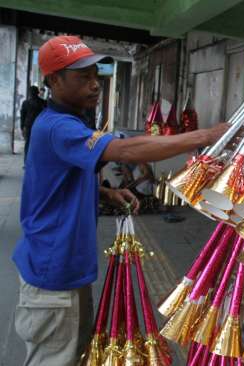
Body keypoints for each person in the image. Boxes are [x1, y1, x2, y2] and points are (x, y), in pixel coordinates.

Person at [12, 35, 230, 366]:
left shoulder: (67, 122)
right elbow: (125, 150)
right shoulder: (59, 127)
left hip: (66, 272)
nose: (94, 85)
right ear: (54, 80)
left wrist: (105, 193)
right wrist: (205, 136)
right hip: (52, 276)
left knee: (72, 355)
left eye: (94, 75)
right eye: (82, 77)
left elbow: (53, 186)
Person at [20, 85, 46, 162]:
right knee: (39, 144)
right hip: (39, 126)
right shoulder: (43, 102)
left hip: (28, 126)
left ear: (30, 93)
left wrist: (22, 127)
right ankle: (36, 161)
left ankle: (26, 161)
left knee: (28, 144)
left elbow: (22, 116)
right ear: (37, 93)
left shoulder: (25, 103)